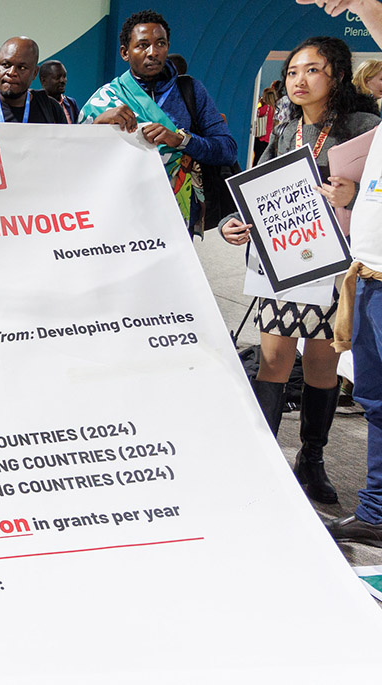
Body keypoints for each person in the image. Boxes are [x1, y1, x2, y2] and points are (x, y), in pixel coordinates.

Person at [220, 36, 380, 506]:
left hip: (339, 266)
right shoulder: (286, 127)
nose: (298, 80)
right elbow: (258, 190)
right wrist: (237, 224)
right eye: (292, 72)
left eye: (311, 70)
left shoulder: (365, 127)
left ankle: (312, 459)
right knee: (273, 361)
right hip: (287, 265)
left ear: (336, 73)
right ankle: (267, 458)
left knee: (321, 364)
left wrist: (354, 197)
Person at [300, 0, 382, 546]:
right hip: (369, 273)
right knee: (375, 399)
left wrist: (359, 2)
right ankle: (375, 512)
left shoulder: (362, 125)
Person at [80, 10, 237, 232]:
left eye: (160, 43)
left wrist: (181, 140)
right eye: (143, 45)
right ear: (125, 52)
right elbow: (75, 161)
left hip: (177, 215)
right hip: (119, 212)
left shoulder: (191, 91)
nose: (153, 52)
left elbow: (227, 150)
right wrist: (97, 125)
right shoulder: (105, 98)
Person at [253, 86, 277, 163]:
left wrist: (259, 103)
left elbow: (256, 113)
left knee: (257, 157)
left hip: (262, 136)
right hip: (269, 137)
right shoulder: (275, 108)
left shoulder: (266, 108)